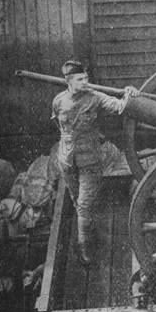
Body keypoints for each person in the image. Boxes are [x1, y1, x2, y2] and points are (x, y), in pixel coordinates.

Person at [51, 60, 141, 266]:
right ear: (69, 81)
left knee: (83, 205)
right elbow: (59, 125)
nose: (85, 82)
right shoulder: (58, 101)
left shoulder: (96, 98)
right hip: (66, 160)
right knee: (77, 200)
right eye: (80, 79)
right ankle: (89, 231)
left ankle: (84, 248)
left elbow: (120, 106)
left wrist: (129, 93)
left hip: (90, 161)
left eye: (86, 78)